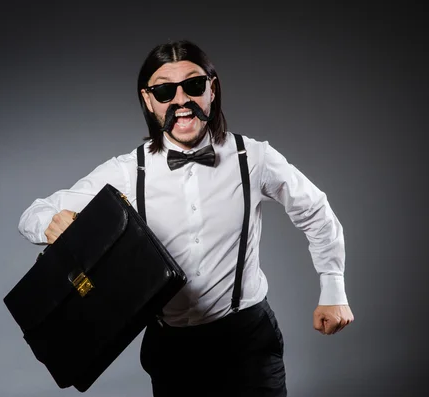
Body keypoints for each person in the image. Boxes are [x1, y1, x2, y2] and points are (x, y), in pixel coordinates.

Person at [18, 39, 354, 397]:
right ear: (148, 100)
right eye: (164, 91)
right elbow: (33, 214)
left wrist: (333, 289)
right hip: (172, 348)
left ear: (212, 89)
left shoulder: (252, 158)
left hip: (247, 339)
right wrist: (52, 224)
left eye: (193, 85)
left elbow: (315, 210)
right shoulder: (130, 171)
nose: (181, 101)